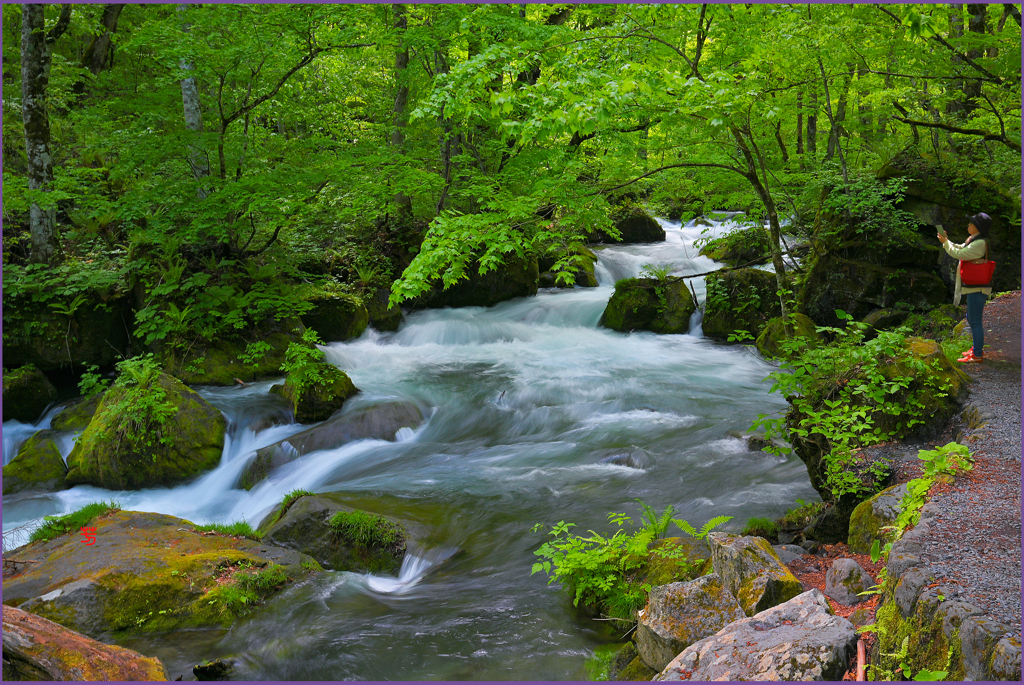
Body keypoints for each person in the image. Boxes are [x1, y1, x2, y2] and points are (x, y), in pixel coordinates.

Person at [937, 212, 993, 363]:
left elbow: (959, 253)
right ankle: (975, 349)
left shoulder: (980, 243)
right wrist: (946, 241)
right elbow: (959, 247)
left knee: (975, 320)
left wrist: (946, 243)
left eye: (971, 223)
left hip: (978, 287)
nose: (968, 225)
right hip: (974, 286)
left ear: (978, 227)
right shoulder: (974, 240)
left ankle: (977, 354)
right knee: (971, 317)